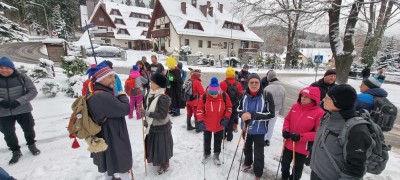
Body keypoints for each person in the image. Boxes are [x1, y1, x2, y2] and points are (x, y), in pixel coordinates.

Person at [310, 84, 373, 180]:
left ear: (338, 102)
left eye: (327, 98)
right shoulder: (330, 116)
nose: (323, 100)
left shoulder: (356, 129)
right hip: (317, 172)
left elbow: (356, 167)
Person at [85, 62, 132, 179]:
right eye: (110, 76)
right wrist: (122, 95)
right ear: (100, 79)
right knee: (121, 165)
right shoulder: (103, 97)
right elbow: (125, 109)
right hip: (113, 137)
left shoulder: (95, 93)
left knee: (107, 163)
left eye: (113, 76)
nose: (114, 79)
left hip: (104, 136)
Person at [0, 56, 40, 165]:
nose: (4, 70)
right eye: (1, 67)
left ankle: (31, 144)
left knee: (29, 129)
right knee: (8, 133)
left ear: (12, 68)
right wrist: (1, 101)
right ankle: (15, 151)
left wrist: (19, 101)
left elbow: (33, 91)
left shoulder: (22, 77)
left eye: (7, 67)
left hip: (23, 109)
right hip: (3, 112)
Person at [280, 86, 325, 180]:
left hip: (302, 148)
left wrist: (301, 136)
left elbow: (318, 133)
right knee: (284, 164)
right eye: (302, 96)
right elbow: (287, 119)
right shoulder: (295, 106)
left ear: (313, 99)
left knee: (297, 169)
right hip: (289, 143)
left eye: (306, 97)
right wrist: (285, 130)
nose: (302, 98)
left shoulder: (319, 113)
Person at [238, 73, 275, 180]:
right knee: (246, 148)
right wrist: (242, 114)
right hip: (246, 128)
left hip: (259, 131)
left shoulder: (266, 95)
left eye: (256, 82)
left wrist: (253, 116)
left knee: (259, 153)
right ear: (247, 83)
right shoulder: (243, 94)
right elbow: (238, 108)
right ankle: (248, 163)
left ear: (260, 83)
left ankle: (258, 173)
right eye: (251, 82)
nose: (254, 85)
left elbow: (271, 114)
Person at [196, 77, 232, 165]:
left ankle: (216, 155)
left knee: (218, 140)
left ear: (218, 90)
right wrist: (200, 121)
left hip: (219, 123)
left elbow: (229, 108)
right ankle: (207, 154)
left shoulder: (224, 95)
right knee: (207, 139)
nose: (214, 95)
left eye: (215, 93)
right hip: (207, 124)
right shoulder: (204, 96)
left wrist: (226, 118)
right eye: (212, 93)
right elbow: (200, 110)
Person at [143, 73, 173, 175]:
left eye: (152, 82)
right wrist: (146, 118)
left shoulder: (163, 98)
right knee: (155, 146)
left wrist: (147, 113)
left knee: (162, 147)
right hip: (152, 125)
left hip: (161, 127)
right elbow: (148, 107)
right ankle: (157, 160)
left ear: (158, 84)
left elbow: (162, 115)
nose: (150, 83)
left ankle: (165, 163)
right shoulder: (151, 94)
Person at [263, 70, 286, 146]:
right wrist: (281, 112)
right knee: (271, 125)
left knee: (265, 124)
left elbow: (264, 100)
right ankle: (268, 139)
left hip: (267, 109)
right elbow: (283, 102)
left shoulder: (267, 88)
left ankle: (263, 138)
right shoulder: (282, 88)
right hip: (276, 110)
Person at [219, 67, 242, 141]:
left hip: (224, 105)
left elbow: (219, 95)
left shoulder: (222, 83)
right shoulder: (238, 84)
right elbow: (240, 95)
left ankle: (223, 134)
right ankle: (230, 136)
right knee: (231, 121)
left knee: (224, 119)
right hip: (234, 105)